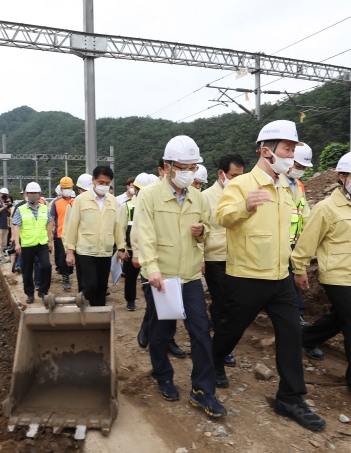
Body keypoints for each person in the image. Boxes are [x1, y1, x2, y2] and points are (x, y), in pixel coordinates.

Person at [212, 120, 326, 432]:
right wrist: (245, 207)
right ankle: (215, 359)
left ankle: (289, 397)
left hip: (280, 277)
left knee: (291, 335)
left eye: (293, 149)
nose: (292, 155)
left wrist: (296, 266)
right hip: (247, 276)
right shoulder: (240, 185)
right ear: (266, 151)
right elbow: (222, 216)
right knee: (231, 329)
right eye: (288, 149)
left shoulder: (284, 188)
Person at [292, 149, 351, 414]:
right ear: (342, 177)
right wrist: (299, 268)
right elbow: (307, 240)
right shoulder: (326, 208)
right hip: (337, 276)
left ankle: (304, 337)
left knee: (339, 318)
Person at [135, 135, 224, 418]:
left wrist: (202, 233)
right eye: (183, 167)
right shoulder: (149, 196)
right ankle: (163, 376)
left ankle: (202, 390)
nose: (189, 172)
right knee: (162, 333)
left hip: (189, 278)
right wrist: (152, 269)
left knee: (201, 332)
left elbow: (207, 232)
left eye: (193, 167)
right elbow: (143, 235)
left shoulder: (198, 197)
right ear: (167, 167)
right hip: (162, 277)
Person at [132, 162, 186, 359]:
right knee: (155, 304)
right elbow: (139, 230)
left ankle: (166, 338)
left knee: (168, 305)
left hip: (174, 262)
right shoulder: (150, 195)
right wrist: (138, 254)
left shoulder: (181, 195)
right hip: (151, 261)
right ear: (162, 170)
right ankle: (151, 334)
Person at [202, 153, 245, 368]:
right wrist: (200, 257)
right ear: (221, 174)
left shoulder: (243, 195)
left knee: (235, 303)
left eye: (241, 175)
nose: (238, 180)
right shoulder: (206, 197)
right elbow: (200, 228)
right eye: (234, 175)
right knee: (221, 302)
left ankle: (222, 338)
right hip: (215, 257)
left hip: (238, 258)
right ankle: (221, 348)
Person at [64, 167, 124, 306]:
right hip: (85, 251)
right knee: (89, 285)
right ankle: (85, 314)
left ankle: (99, 317)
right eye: (101, 182)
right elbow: (73, 225)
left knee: (102, 287)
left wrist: (121, 247)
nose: (104, 186)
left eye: (107, 183)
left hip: (105, 251)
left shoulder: (113, 201)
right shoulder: (81, 200)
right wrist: (69, 251)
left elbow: (117, 225)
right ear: (93, 181)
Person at [285, 143, 314, 326]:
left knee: (292, 279)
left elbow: (305, 213)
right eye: (298, 166)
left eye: (303, 168)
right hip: (277, 243)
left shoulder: (299, 185)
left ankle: (297, 315)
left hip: (293, 242)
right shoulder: (274, 182)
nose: (300, 170)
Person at [10, 182, 53, 304]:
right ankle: (29, 293)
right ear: (26, 195)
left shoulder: (45, 208)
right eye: (30, 193)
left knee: (46, 266)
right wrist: (17, 243)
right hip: (27, 244)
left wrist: (50, 241)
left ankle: (43, 291)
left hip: (42, 243)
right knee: (27, 270)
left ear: (39, 194)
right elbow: (16, 226)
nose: (33, 195)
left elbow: (49, 224)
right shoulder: (21, 209)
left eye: (35, 193)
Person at [116, 173, 152, 311]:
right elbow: (121, 227)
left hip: (147, 247)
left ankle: (150, 301)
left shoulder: (152, 204)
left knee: (148, 277)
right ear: (135, 189)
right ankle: (130, 300)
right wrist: (122, 248)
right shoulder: (128, 205)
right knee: (130, 278)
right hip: (131, 248)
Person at [49, 177, 76, 290]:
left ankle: (68, 274)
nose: (67, 190)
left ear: (72, 187)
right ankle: (65, 279)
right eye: (64, 188)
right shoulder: (56, 203)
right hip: (60, 235)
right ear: (61, 188)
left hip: (74, 235)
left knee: (73, 259)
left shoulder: (76, 202)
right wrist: (50, 235)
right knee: (62, 259)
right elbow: (51, 219)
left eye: (68, 188)